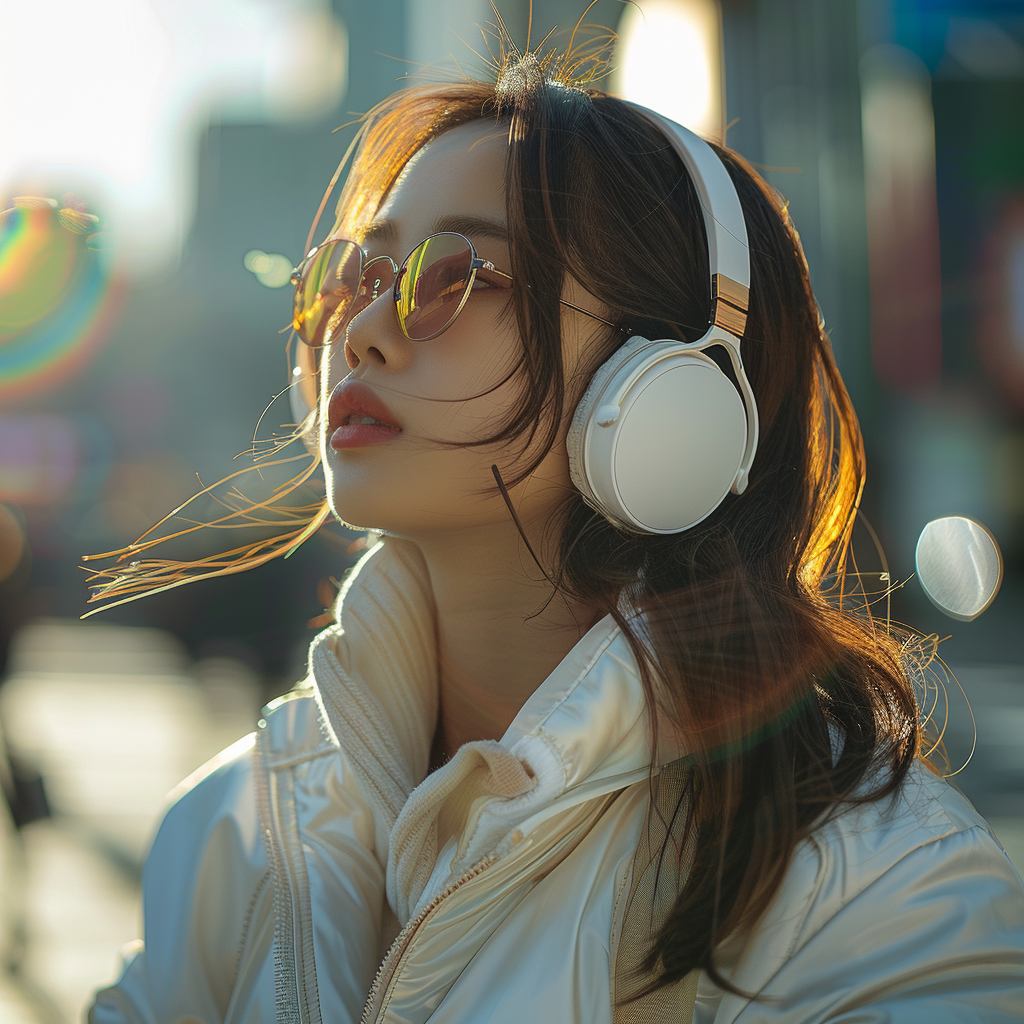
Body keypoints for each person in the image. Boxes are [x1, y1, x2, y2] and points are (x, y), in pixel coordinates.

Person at [89, 29, 1024, 1024]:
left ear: (667, 391)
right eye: (350, 278)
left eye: (454, 277)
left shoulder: (878, 891)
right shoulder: (236, 824)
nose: (359, 331)